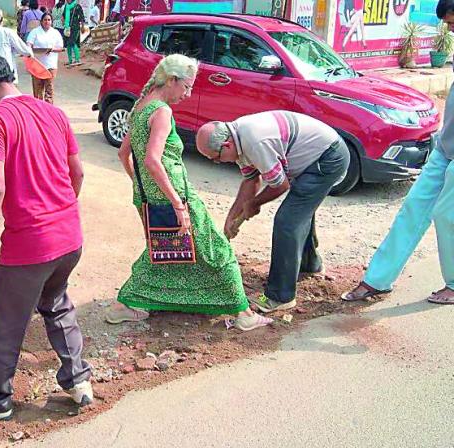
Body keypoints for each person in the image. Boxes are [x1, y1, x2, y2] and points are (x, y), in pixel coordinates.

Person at [0, 55, 93, 421]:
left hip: (31, 243)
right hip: (69, 236)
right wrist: (58, 210)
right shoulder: (53, 113)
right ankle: (78, 382)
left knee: (5, 322)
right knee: (56, 302)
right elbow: (78, 172)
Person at [106, 54, 272, 332]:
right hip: (174, 195)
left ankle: (127, 303)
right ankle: (243, 313)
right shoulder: (161, 111)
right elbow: (152, 160)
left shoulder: (139, 108)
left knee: (166, 250)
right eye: (186, 86)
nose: (188, 93)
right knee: (215, 248)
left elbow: (125, 153)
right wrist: (178, 205)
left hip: (150, 195)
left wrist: (141, 185)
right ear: (171, 80)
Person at [340, 1, 454, 305]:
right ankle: (378, 280)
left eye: (453, 22)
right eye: (447, 23)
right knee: (412, 209)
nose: (449, 28)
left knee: (446, 215)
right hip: (445, 149)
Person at [195, 112, 350, 314]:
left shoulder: (255, 141)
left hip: (328, 158)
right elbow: (251, 180)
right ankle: (310, 264)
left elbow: (280, 185)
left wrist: (254, 203)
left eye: (216, 159)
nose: (217, 163)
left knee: (287, 221)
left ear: (226, 146)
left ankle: (280, 297)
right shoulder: (238, 137)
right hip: (318, 154)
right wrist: (232, 216)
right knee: (299, 213)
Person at [0, 5, 32, 85]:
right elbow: (25, 51)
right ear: (1, 19)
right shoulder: (7, 32)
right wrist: (30, 51)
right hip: (6, 76)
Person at [26, 13, 64, 103]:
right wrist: (30, 51)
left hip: (51, 65)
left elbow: (60, 48)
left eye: (49, 20)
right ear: (41, 21)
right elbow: (29, 44)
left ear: (51, 22)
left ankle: (48, 109)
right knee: (37, 90)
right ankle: (38, 109)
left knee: (49, 90)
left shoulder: (55, 33)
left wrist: (51, 50)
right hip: (37, 65)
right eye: (45, 20)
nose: (47, 22)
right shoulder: (35, 32)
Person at [63, 0, 86, 66]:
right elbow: (63, 16)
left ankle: (77, 60)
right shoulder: (66, 6)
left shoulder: (77, 6)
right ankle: (70, 60)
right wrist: (65, 24)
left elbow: (82, 17)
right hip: (67, 28)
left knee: (73, 42)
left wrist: (83, 27)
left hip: (75, 28)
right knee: (68, 44)